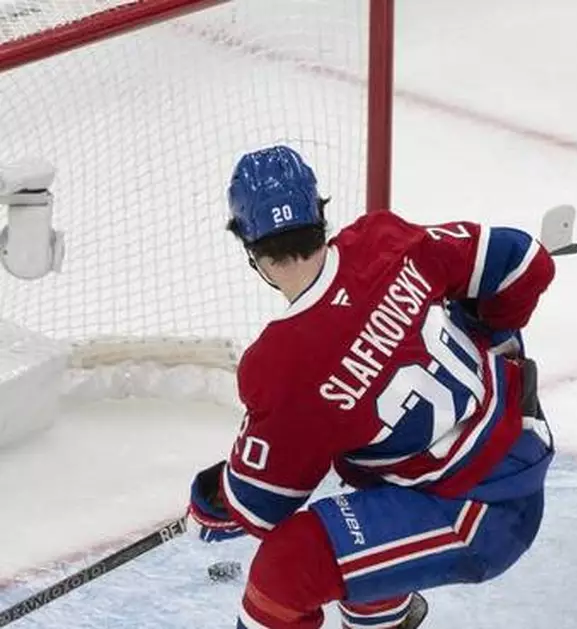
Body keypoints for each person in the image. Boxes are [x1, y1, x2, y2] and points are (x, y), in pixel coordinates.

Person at [186, 146, 556, 629]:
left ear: (249, 248)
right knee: (357, 493)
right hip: (518, 431)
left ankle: (384, 607)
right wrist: (488, 332)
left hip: (480, 512)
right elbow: (526, 263)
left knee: (286, 572)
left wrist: (213, 504)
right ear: (320, 213)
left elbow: (261, 507)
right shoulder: (384, 239)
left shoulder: (280, 365)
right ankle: (385, 614)